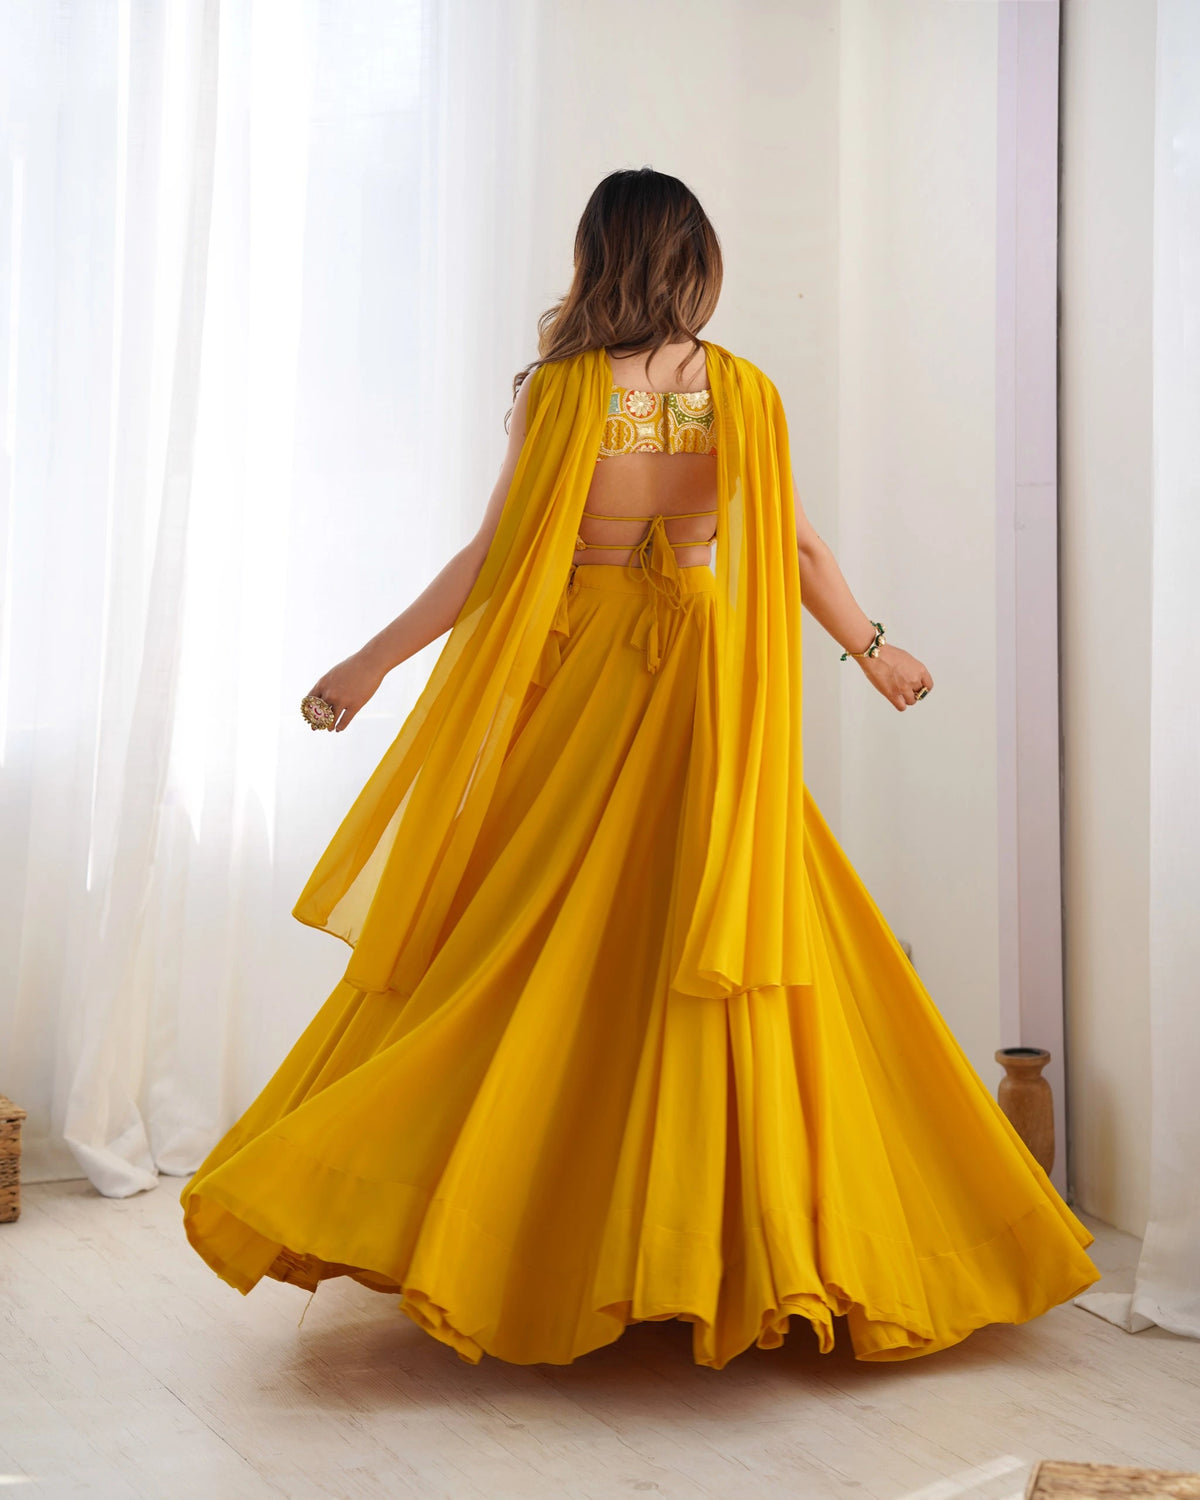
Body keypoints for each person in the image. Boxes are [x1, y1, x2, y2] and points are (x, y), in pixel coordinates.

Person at [181, 168, 1099, 1369]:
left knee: (535, 935)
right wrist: (875, 649)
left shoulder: (560, 392)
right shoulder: (746, 392)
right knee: (726, 927)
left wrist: (369, 664)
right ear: (696, 261)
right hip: (712, 678)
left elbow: (495, 557)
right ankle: (735, 1247)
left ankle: (522, 1225)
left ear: (596, 257)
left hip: (594, 676)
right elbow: (799, 548)